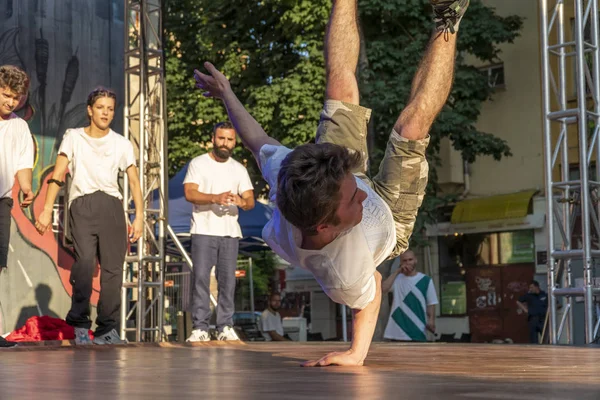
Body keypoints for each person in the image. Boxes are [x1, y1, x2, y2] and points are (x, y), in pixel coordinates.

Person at [193, 0, 469, 365]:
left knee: (340, 87)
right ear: (326, 226)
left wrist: (227, 94)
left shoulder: (292, 177)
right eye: (354, 200)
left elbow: (256, 140)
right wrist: (356, 354)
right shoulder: (344, 272)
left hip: (332, 178)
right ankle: (448, 18)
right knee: (412, 125)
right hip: (392, 221)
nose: (363, 197)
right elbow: (370, 298)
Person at [35, 87, 143, 345]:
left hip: (112, 206)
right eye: (100, 107)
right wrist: (47, 209)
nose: (105, 113)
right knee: (84, 264)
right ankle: (80, 324)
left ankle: (107, 328)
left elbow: (134, 182)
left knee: (113, 271)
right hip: (82, 205)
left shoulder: (121, 143)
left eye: (110, 109)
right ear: (89, 110)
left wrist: (138, 216)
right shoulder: (73, 137)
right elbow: (58, 174)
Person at [184, 122, 255, 342]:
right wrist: (215, 198)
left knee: (228, 282)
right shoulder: (198, 163)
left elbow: (251, 200)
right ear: (213, 139)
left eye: (230, 140)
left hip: (230, 232)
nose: (225, 143)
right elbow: (190, 193)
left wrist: (241, 201)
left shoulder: (238, 169)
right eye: (221, 138)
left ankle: (224, 325)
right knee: (201, 279)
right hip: (204, 229)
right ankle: (200, 327)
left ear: (235, 142)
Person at [0, 65, 33, 349]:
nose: (10, 102)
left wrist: (26, 187)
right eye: (5, 94)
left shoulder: (19, 126)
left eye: (15, 97)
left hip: (2, 201)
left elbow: (23, 164)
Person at [382, 250, 438, 342]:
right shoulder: (396, 279)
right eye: (404, 260)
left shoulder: (425, 280)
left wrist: (431, 320)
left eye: (410, 259)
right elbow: (383, 289)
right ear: (401, 262)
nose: (408, 262)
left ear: (415, 260)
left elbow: (431, 302)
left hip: (418, 328)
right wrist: (397, 271)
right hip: (397, 330)